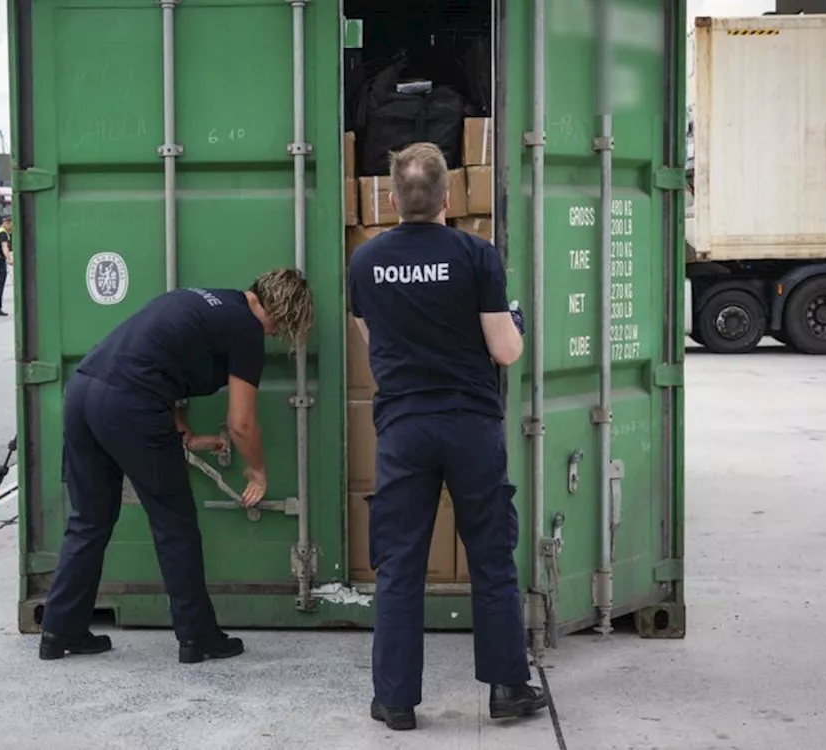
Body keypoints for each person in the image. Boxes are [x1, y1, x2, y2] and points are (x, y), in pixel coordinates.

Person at [346, 142, 546, 731]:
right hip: (470, 427)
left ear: (390, 197)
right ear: (448, 197)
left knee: (402, 563)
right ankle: (508, 688)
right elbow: (505, 350)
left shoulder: (365, 263)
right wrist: (514, 320)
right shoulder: (476, 255)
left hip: (405, 428)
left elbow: (372, 345)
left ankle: (396, 700)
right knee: (490, 556)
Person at [38, 269, 315, 664]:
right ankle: (198, 637)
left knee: (89, 519)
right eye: (282, 326)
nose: (275, 334)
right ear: (283, 309)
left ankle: (59, 630)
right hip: (131, 404)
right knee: (175, 526)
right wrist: (258, 470)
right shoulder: (246, 329)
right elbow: (242, 422)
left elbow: (153, 360)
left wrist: (180, 428)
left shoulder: (204, 298)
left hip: (84, 392)